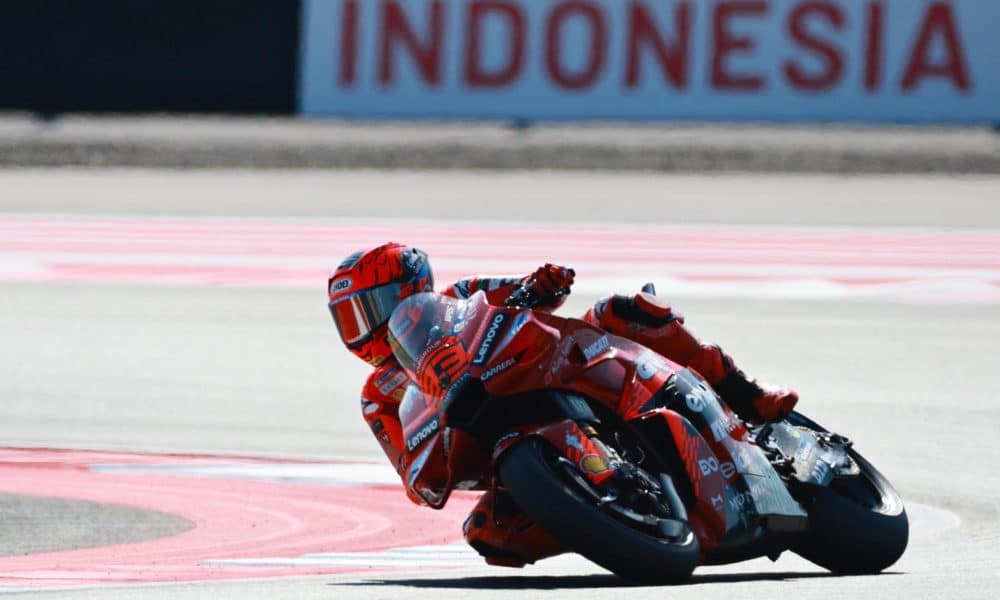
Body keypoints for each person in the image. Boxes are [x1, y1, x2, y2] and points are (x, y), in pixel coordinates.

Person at [328, 242, 798, 567]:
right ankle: (615, 522)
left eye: (376, 305)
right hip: (486, 438)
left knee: (621, 311)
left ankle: (747, 394)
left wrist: (543, 282)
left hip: (539, 372)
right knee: (490, 534)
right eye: (351, 318)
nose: (368, 326)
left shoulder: (461, 296)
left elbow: (531, 291)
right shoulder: (378, 396)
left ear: (413, 288)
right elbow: (416, 481)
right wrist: (430, 462)